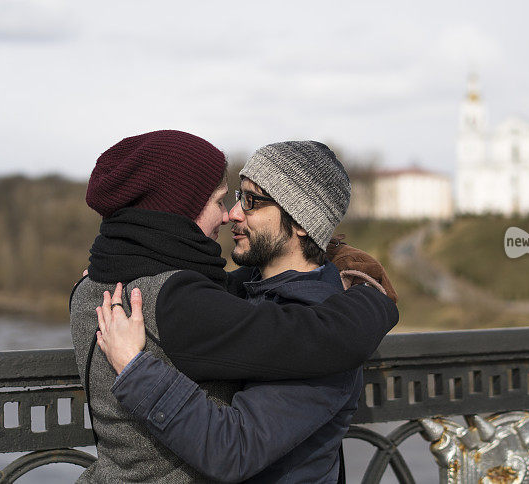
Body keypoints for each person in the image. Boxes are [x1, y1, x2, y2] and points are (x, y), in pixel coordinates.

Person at [70, 131, 398, 483]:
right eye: (233, 197)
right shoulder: (215, 295)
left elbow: (234, 448)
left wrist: (137, 370)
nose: (233, 214)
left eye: (252, 201)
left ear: (302, 221)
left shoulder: (89, 289)